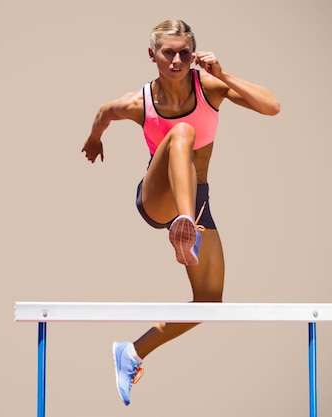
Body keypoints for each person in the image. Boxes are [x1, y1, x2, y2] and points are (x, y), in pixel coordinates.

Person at [81, 19, 280, 406]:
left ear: (194, 54)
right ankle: (185, 225)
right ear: (152, 55)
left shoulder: (209, 87)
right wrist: (93, 139)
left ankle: (132, 352)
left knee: (209, 302)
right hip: (159, 200)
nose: (176, 60)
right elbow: (104, 112)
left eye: (184, 53)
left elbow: (272, 106)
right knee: (183, 133)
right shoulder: (139, 102)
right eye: (168, 52)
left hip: (198, 200)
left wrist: (223, 73)